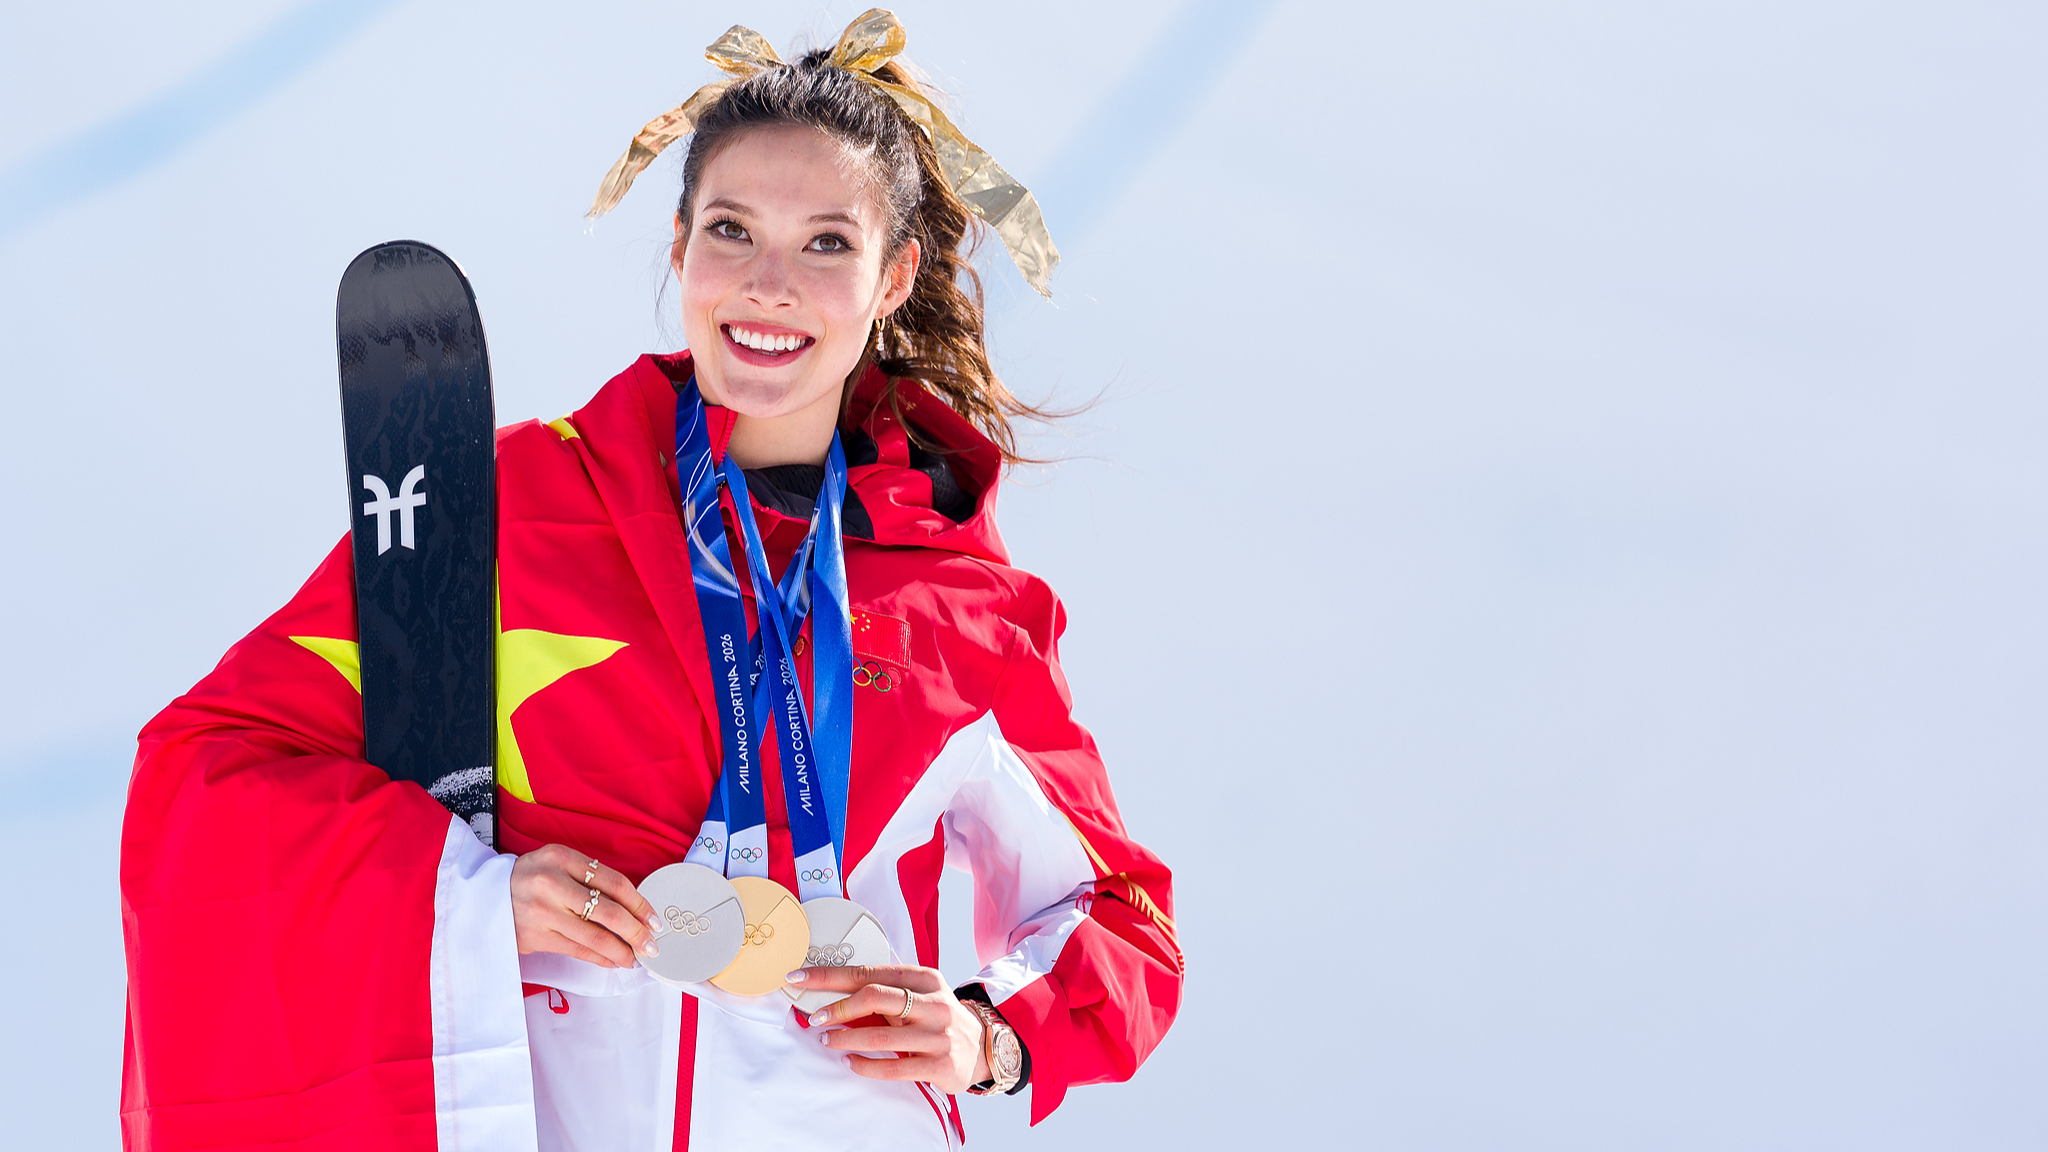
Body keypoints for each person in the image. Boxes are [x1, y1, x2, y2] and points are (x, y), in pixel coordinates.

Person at [119, 11, 1180, 1151]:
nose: (769, 284)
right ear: (679, 247)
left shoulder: (966, 612)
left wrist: (991, 1037)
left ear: (892, 278)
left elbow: (1118, 921)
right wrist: (469, 901)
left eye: (826, 243)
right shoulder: (511, 510)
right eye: (732, 230)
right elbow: (206, 780)